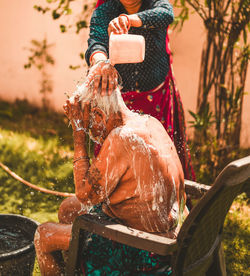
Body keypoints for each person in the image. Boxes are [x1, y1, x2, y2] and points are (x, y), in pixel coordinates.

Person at [34, 80, 188, 275]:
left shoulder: (121, 138)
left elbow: (85, 195)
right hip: (168, 235)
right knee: (67, 208)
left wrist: (79, 134)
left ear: (99, 115)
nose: (95, 137)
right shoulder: (150, 122)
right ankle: (76, 269)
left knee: (43, 235)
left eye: (91, 128)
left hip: (143, 249)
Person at [85, 0, 195, 180]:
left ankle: (166, 200)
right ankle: (114, 202)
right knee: (117, 154)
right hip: (120, 100)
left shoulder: (155, 4)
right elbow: (96, 42)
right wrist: (100, 63)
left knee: (159, 154)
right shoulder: (105, 10)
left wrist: (130, 20)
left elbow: (166, 14)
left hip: (156, 94)